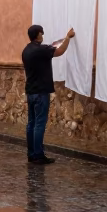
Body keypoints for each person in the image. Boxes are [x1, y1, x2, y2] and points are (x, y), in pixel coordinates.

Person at [22, 25, 74, 165]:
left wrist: (60, 40)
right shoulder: (41, 50)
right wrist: (68, 38)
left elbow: (50, 48)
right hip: (40, 92)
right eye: (42, 33)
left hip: (31, 91)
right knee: (39, 124)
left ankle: (31, 153)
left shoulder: (26, 50)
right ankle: (38, 155)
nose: (43, 36)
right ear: (38, 35)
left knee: (31, 123)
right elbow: (60, 51)